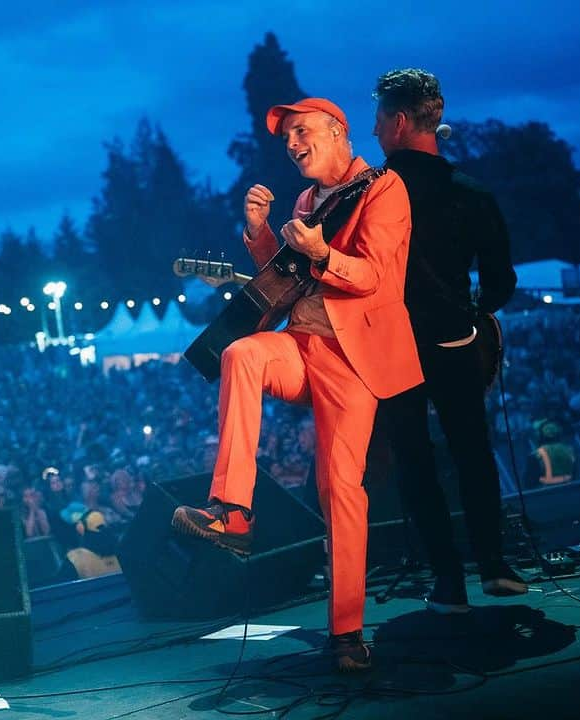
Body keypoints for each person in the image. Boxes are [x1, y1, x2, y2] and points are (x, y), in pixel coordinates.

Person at [172, 97, 423, 671]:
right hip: (301, 345)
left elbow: (375, 276)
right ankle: (234, 511)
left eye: (301, 131)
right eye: (286, 137)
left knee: (340, 490)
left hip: (350, 358)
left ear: (339, 133)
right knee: (240, 353)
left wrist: (323, 252)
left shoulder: (384, 189)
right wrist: (260, 233)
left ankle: (346, 631)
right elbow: (285, 276)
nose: (291, 143)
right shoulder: (309, 200)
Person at [365, 68, 526, 615]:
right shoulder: (472, 192)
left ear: (401, 121)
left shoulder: (372, 193)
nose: (375, 131)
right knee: (473, 452)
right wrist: (473, 313)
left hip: (394, 345)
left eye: (381, 120)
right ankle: (495, 565)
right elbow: (501, 282)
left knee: (415, 460)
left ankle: (448, 583)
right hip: (457, 339)